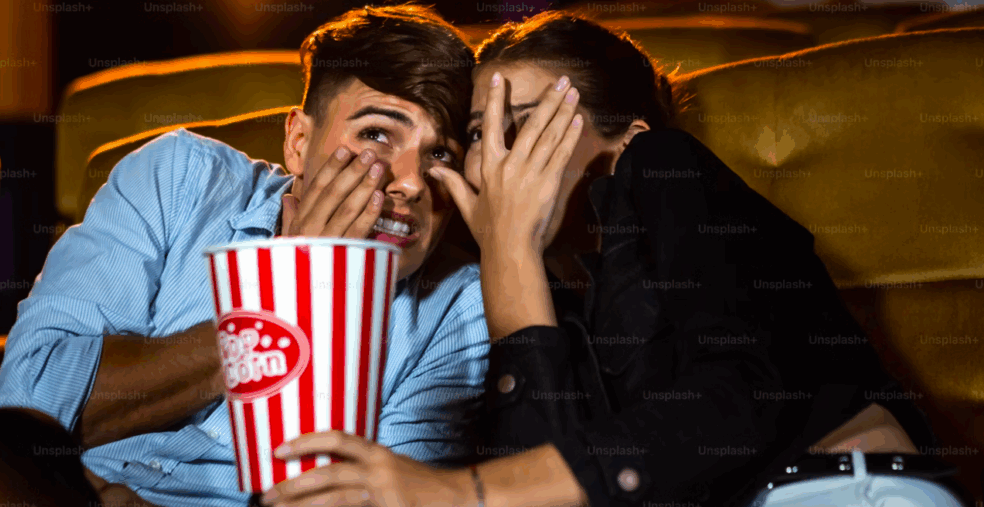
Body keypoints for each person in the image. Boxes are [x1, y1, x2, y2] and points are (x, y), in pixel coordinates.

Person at [260, 11, 972, 507]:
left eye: (525, 123)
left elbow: (744, 395)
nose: (496, 156)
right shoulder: (521, 284)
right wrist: (512, 269)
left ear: (624, 137)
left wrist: (461, 493)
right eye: (478, 134)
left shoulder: (665, 169)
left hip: (840, 486)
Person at [0, 5, 489, 507]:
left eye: (439, 154)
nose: (413, 183)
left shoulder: (459, 304)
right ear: (299, 142)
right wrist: (286, 293)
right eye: (376, 134)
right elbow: (23, 408)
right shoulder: (177, 177)